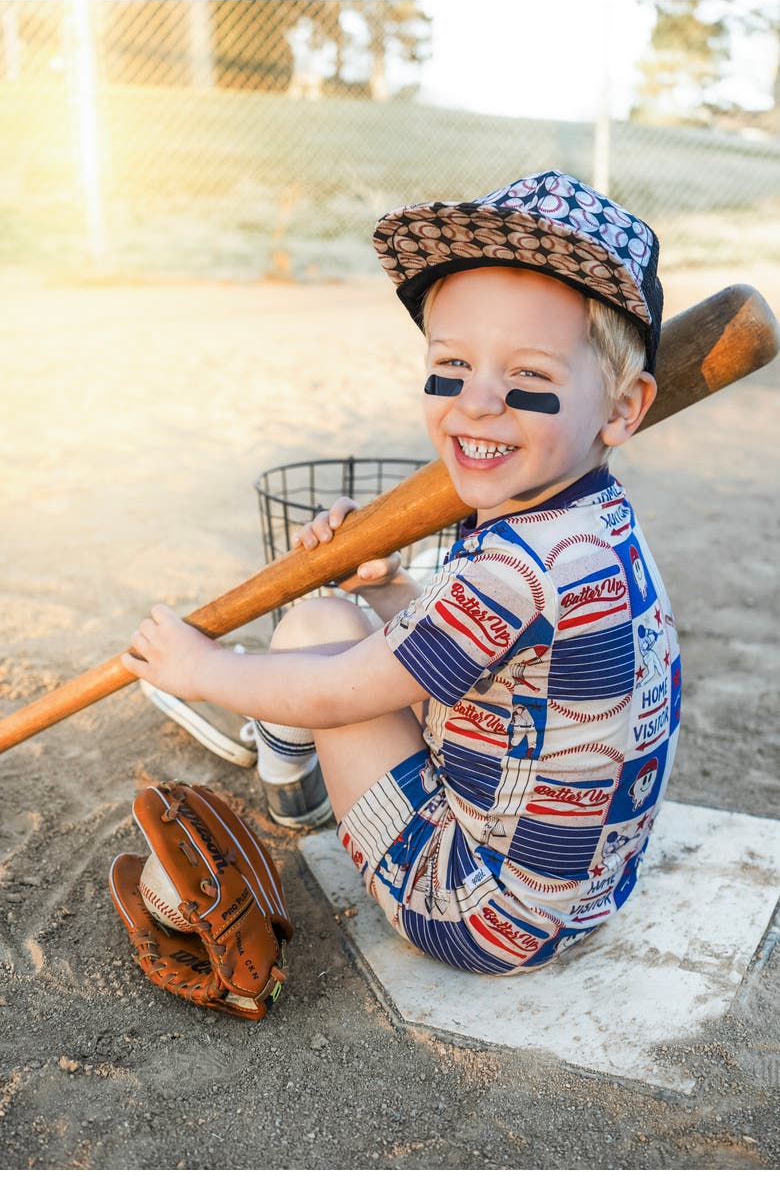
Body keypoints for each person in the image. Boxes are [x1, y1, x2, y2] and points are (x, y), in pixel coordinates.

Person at [123, 170, 682, 974]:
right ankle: (283, 747)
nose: (478, 402)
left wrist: (200, 668)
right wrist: (386, 585)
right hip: (586, 887)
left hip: (474, 910)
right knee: (330, 622)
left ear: (623, 410)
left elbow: (336, 692)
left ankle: (291, 780)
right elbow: (505, 652)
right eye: (451, 364)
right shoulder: (589, 522)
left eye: (530, 377)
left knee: (314, 648)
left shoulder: (518, 565)